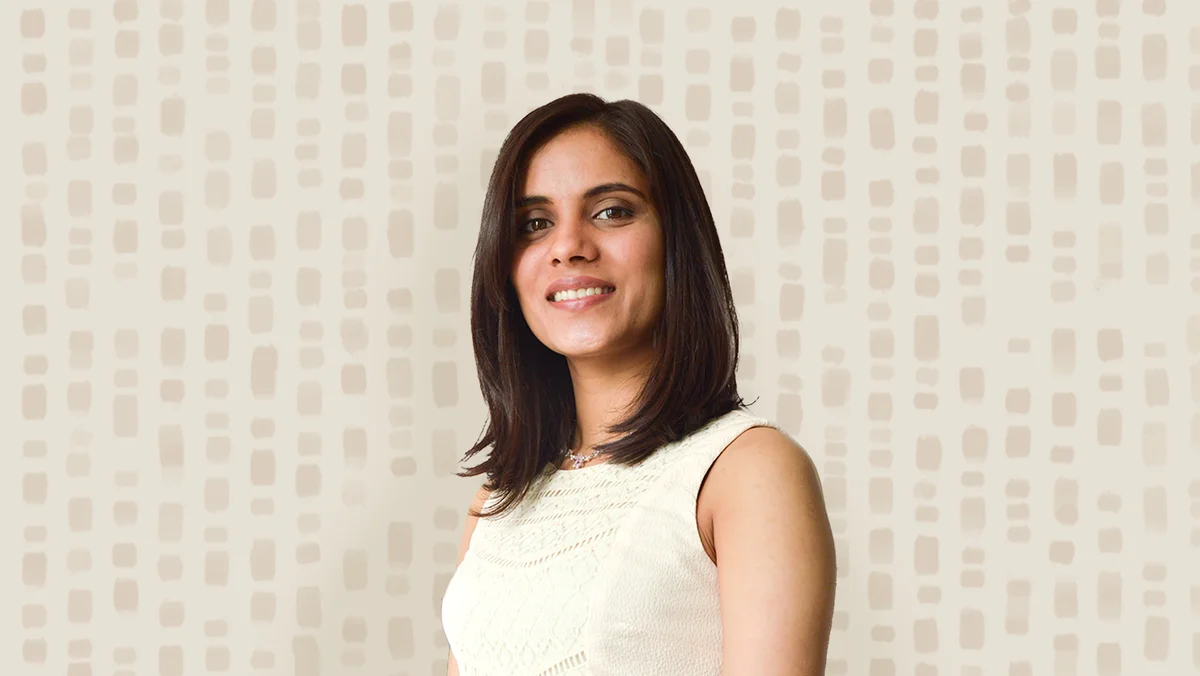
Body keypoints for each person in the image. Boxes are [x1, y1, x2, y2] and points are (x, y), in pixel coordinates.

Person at [440, 92, 836, 675]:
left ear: (676, 241)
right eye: (535, 223)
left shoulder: (748, 472)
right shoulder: (498, 502)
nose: (569, 246)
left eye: (612, 211)